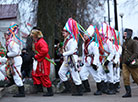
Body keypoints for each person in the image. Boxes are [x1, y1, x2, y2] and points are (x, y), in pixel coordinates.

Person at [58, 18, 83, 96]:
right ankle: (68, 88)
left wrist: (63, 54)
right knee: (61, 72)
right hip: (67, 59)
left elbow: (72, 51)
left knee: (74, 74)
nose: (63, 33)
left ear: (68, 32)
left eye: (64, 32)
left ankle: (80, 90)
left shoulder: (73, 40)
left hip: (72, 59)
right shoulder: (66, 40)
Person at [79, 25, 104, 95]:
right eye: (84, 35)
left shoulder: (93, 44)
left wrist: (95, 63)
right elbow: (84, 54)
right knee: (82, 74)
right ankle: (87, 88)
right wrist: (83, 62)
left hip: (92, 62)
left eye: (86, 35)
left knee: (96, 76)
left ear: (89, 36)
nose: (84, 36)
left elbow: (96, 54)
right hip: (86, 63)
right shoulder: (83, 44)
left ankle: (99, 90)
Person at [4, 23, 25, 97]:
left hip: (16, 59)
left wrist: (8, 55)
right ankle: (20, 89)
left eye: (6, 35)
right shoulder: (9, 42)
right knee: (13, 73)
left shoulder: (12, 43)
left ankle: (21, 92)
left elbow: (15, 52)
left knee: (17, 75)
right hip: (14, 59)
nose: (5, 36)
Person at [31, 29, 54, 96]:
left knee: (44, 74)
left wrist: (37, 56)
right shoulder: (37, 41)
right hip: (40, 60)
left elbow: (44, 51)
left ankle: (50, 91)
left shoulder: (41, 42)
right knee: (36, 73)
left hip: (43, 60)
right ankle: (39, 88)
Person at [122, 28, 138, 98]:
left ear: (129, 34)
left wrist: (130, 60)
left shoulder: (134, 42)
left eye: (125, 33)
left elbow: (136, 53)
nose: (124, 35)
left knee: (136, 78)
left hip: (132, 63)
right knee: (125, 77)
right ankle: (128, 92)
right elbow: (123, 53)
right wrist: (121, 62)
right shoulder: (124, 43)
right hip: (124, 63)